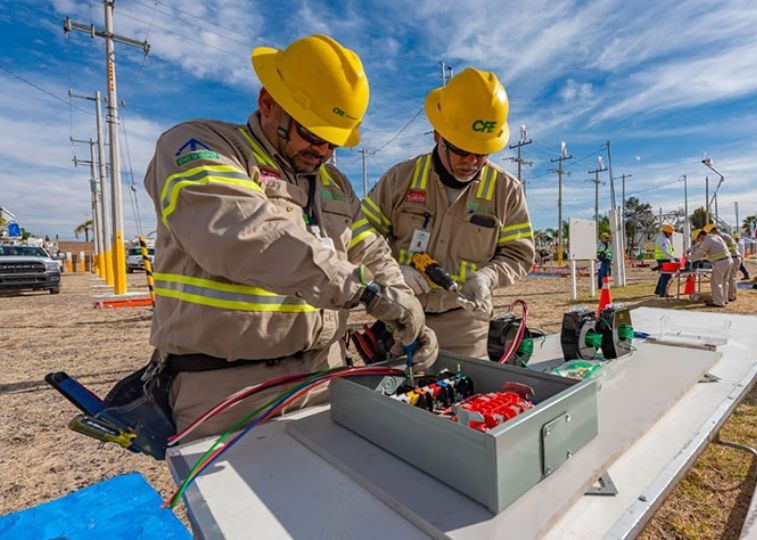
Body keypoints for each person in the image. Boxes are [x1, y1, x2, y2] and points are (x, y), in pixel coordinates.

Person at [141, 35, 438, 442]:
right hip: (227, 389)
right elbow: (245, 233)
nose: (324, 152)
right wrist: (365, 293)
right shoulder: (202, 147)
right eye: (313, 135)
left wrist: (406, 308)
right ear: (268, 103)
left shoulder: (334, 184)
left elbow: (370, 249)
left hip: (325, 373)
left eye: (334, 142)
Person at [359, 67, 535, 358]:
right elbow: (360, 235)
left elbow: (518, 254)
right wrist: (390, 272)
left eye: (482, 152)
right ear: (438, 134)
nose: (472, 161)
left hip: (466, 326)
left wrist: (487, 277)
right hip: (401, 315)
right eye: (462, 150)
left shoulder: (506, 190)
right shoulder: (400, 179)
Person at [688, 228, 732, 307]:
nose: (699, 241)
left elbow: (699, 254)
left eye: (698, 239)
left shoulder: (707, 241)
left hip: (720, 262)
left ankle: (718, 302)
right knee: (724, 282)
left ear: (701, 235)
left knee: (716, 282)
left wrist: (689, 258)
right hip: (728, 260)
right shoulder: (715, 237)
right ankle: (724, 300)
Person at [704, 223, 739, 302]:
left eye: (709, 232)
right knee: (731, 278)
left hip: (731, 257)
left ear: (713, 230)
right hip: (735, 257)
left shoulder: (719, 237)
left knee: (729, 279)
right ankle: (730, 296)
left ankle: (729, 296)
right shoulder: (725, 235)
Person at [653, 223, 679, 297]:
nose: (671, 234)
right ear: (667, 232)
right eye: (670, 233)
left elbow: (668, 250)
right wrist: (673, 258)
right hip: (663, 259)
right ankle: (663, 292)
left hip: (665, 259)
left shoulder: (665, 239)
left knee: (664, 275)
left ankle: (658, 291)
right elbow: (665, 251)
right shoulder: (662, 239)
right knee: (667, 275)